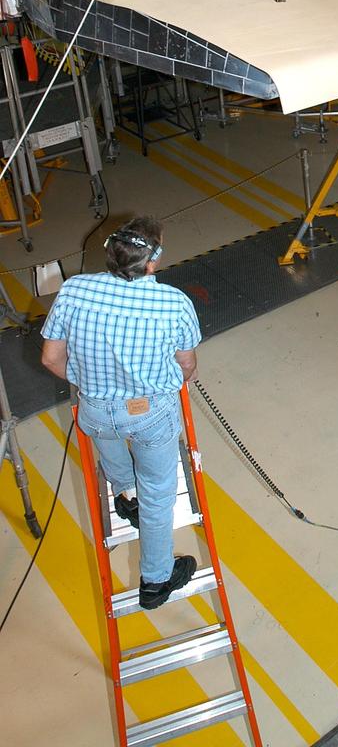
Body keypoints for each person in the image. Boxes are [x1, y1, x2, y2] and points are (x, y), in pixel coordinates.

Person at [40, 216, 202, 610]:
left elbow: (50, 358)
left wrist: (87, 382)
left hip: (95, 409)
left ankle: (125, 496)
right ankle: (156, 580)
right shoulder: (173, 303)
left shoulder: (74, 290)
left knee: (110, 442)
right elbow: (186, 366)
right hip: (150, 414)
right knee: (159, 495)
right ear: (152, 262)